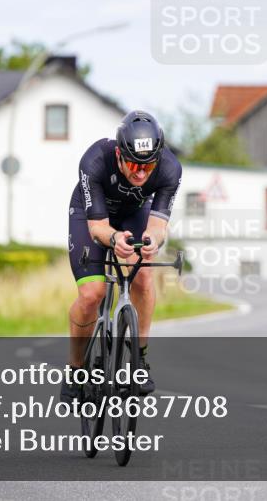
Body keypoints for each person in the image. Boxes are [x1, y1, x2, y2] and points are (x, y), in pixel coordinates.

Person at [60, 110, 182, 403]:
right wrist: (114, 239)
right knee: (92, 294)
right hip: (92, 215)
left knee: (143, 276)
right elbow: (98, 227)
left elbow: (158, 224)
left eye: (148, 166)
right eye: (133, 164)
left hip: (134, 213)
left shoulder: (169, 169)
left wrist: (151, 241)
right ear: (119, 153)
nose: (141, 172)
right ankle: (76, 370)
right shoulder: (94, 161)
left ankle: (139, 359)